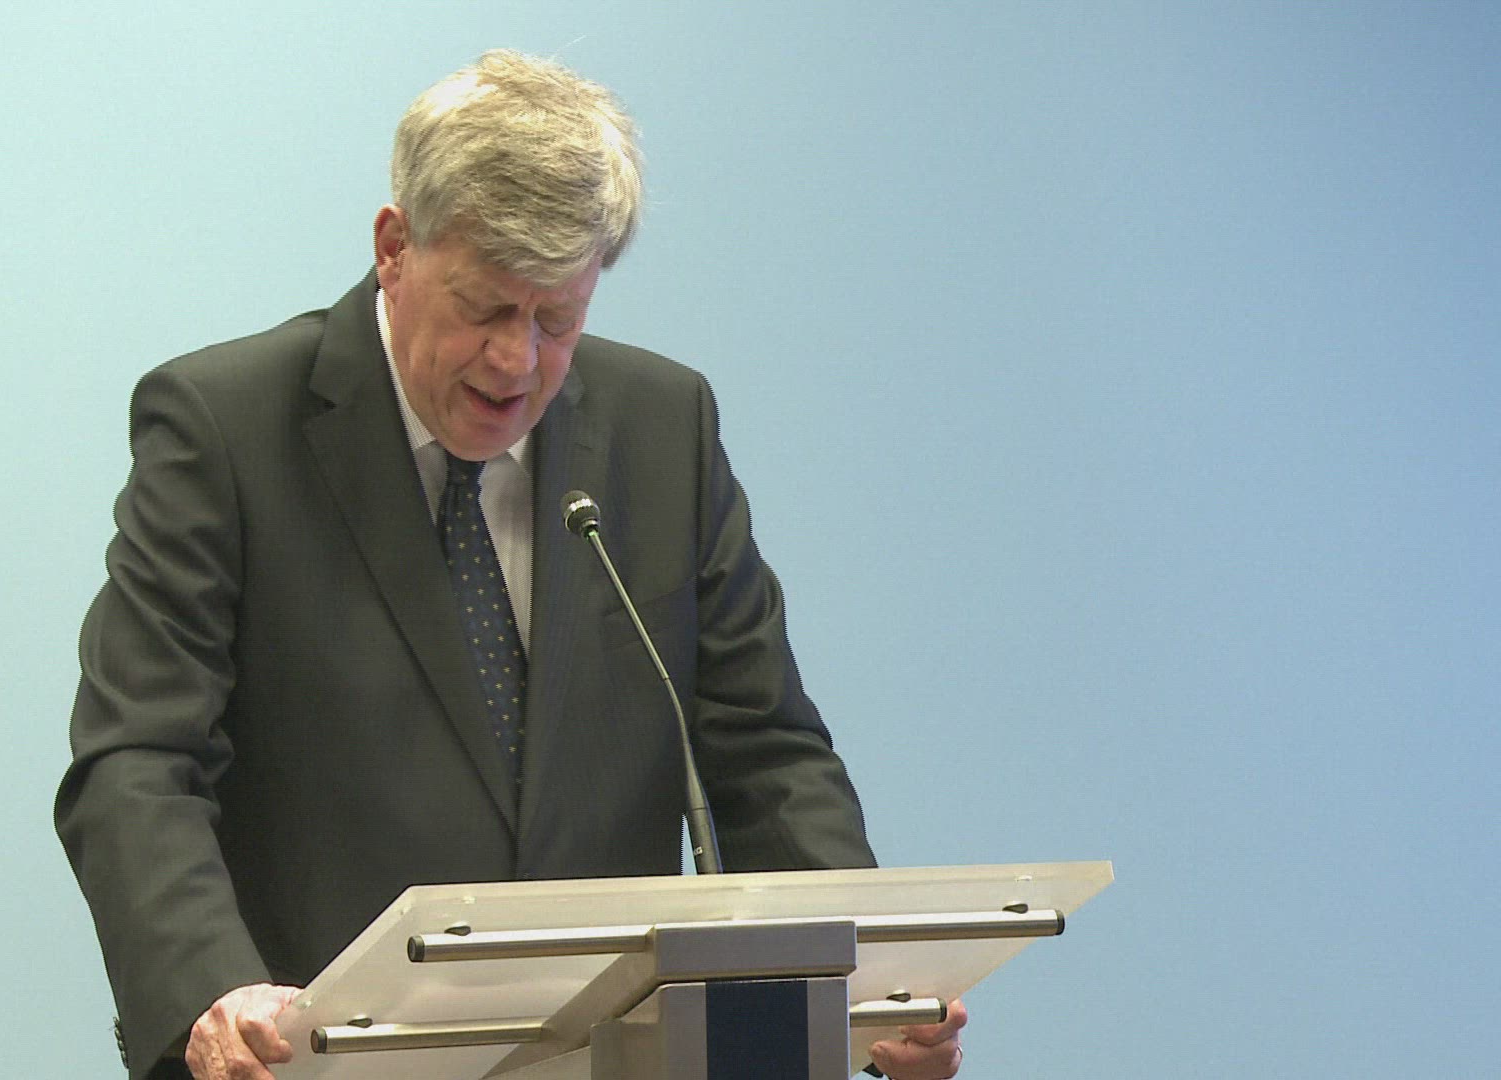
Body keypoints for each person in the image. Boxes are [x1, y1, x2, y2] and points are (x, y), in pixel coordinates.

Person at [56, 49, 967, 1080]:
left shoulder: (662, 429)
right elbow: (137, 760)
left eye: (556, 319)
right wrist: (212, 992)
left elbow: (764, 752)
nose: (516, 361)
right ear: (395, 247)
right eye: (486, 307)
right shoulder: (226, 429)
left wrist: (868, 982)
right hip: (316, 1061)